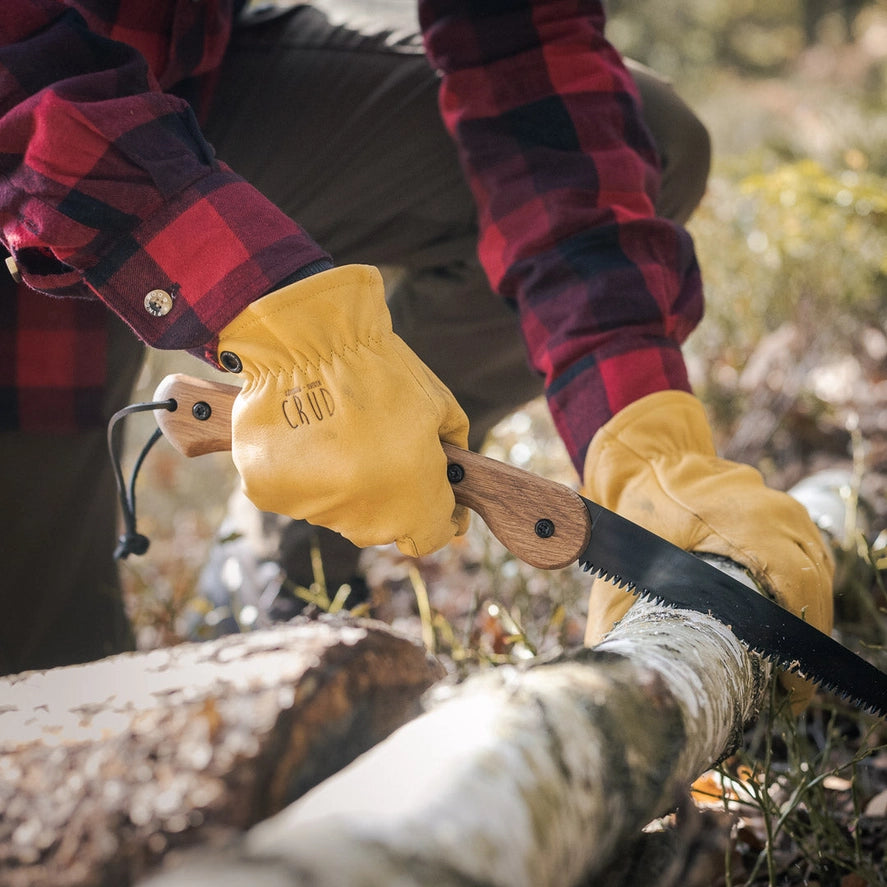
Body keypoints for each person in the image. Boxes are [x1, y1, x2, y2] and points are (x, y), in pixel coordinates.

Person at [0, 0, 833, 710]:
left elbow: (527, 63)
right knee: (51, 709)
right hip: (27, 121)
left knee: (652, 140)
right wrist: (276, 317)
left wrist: (643, 438)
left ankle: (284, 522)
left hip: (183, 86)